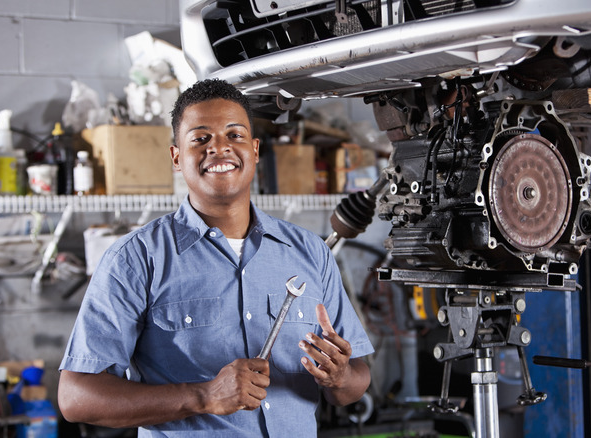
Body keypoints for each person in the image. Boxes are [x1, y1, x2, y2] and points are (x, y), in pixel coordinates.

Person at [57, 78, 374, 437]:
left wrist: (340, 376)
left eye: (234, 135)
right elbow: (76, 397)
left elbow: (355, 383)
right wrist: (202, 396)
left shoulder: (309, 252)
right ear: (177, 157)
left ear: (254, 150)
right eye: (201, 138)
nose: (219, 148)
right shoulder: (136, 259)